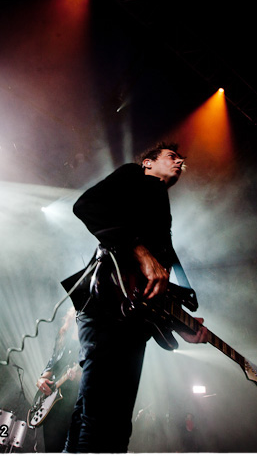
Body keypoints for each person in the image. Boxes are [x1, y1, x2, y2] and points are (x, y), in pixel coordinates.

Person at [62, 142, 208, 453]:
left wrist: (179, 321)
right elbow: (86, 205)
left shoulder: (161, 206)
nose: (180, 162)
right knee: (100, 421)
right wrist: (140, 251)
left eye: (181, 159)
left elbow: (156, 280)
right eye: (172, 156)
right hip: (106, 307)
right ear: (148, 163)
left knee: (112, 423)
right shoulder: (133, 176)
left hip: (135, 321)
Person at [33, 307, 81, 453]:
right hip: (52, 404)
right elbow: (53, 362)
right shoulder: (64, 335)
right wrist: (42, 379)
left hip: (74, 405)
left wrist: (79, 376)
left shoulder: (90, 340)